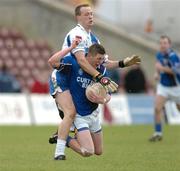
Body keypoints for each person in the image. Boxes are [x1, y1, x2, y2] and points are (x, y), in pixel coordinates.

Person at [48, 4, 141, 160]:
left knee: (95, 146)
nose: (91, 16)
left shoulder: (94, 38)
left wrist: (123, 63)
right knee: (70, 112)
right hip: (64, 76)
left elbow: (101, 62)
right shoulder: (76, 34)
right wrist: (100, 77)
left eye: (92, 14)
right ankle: (59, 152)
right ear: (78, 17)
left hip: (79, 77)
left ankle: (66, 134)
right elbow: (82, 61)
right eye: (87, 14)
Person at [50, 43, 110, 159]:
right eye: (98, 59)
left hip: (93, 113)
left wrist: (102, 99)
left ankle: (64, 134)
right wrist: (71, 48)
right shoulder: (73, 62)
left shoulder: (101, 71)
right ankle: (64, 139)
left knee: (99, 151)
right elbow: (52, 61)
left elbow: (109, 93)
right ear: (90, 56)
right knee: (88, 151)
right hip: (80, 116)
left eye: (102, 59)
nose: (100, 62)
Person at [149, 35, 180, 142]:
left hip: (176, 87)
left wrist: (161, 69)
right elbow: (158, 66)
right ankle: (158, 133)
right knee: (157, 108)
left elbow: (176, 72)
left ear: (169, 45)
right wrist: (157, 74)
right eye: (161, 43)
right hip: (163, 86)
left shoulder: (173, 56)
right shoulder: (159, 54)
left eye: (165, 43)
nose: (163, 45)